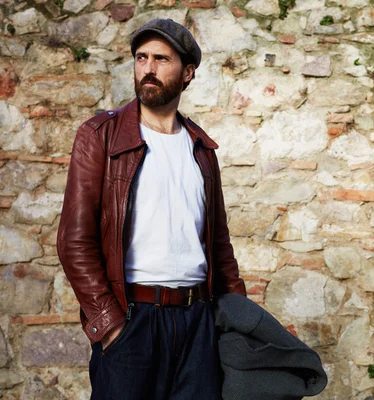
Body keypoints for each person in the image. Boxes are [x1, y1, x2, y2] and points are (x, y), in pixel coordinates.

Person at [57, 18, 246, 400]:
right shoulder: (100, 136)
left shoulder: (202, 150)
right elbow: (74, 241)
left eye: (161, 59)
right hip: (132, 321)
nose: (148, 68)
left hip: (198, 324)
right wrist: (109, 325)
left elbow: (219, 246)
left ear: (188, 72)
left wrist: (240, 322)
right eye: (141, 58)